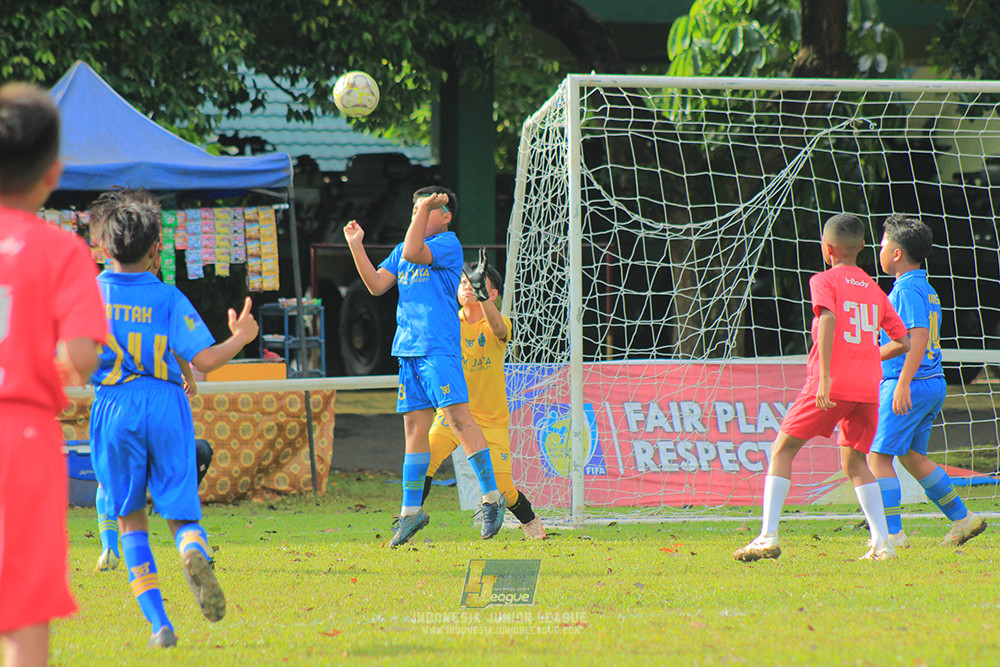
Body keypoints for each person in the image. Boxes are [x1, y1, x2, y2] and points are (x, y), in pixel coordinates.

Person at [88, 188, 259, 648]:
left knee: (129, 517)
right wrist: (240, 338)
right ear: (154, 250)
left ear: (103, 248)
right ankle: (193, 548)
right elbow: (203, 361)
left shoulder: (91, 295)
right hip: (166, 404)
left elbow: (73, 357)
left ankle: (160, 625)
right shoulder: (167, 296)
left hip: (116, 405)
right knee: (180, 511)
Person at [0, 83, 108, 667]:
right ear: (53, 173)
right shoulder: (61, 251)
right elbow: (84, 354)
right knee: (22, 615)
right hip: (21, 436)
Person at [734, 213, 911, 562]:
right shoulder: (874, 289)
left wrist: (827, 376)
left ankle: (768, 536)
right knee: (855, 461)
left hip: (831, 382)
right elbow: (903, 341)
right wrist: (868, 357)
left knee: (782, 450)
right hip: (866, 387)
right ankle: (883, 543)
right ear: (861, 248)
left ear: (826, 248)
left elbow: (828, 318)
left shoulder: (824, 280)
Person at [344, 186, 506, 546]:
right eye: (416, 209)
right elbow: (374, 285)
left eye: (427, 209)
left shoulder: (448, 244)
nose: (418, 214)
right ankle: (410, 512)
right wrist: (356, 245)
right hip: (408, 350)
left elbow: (417, 249)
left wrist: (428, 207)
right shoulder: (401, 249)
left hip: (437, 348)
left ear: (445, 216)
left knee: (459, 419)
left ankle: (492, 499)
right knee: (414, 430)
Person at [868, 214, 986, 547]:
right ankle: (963, 518)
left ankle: (891, 534)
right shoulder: (927, 288)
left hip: (910, 382)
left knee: (877, 457)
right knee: (911, 456)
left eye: (882, 244)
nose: (879, 249)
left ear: (895, 253)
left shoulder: (905, 289)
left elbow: (916, 337)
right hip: (932, 381)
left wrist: (902, 381)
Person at [422, 257, 546, 539]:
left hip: (491, 420)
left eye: (476, 285)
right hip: (451, 415)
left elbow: (499, 330)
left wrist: (481, 297)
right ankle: (409, 520)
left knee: (503, 488)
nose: (467, 287)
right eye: (464, 283)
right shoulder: (448, 324)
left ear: (492, 294)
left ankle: (530, 521)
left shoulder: (498, 323)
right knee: (422, 464)